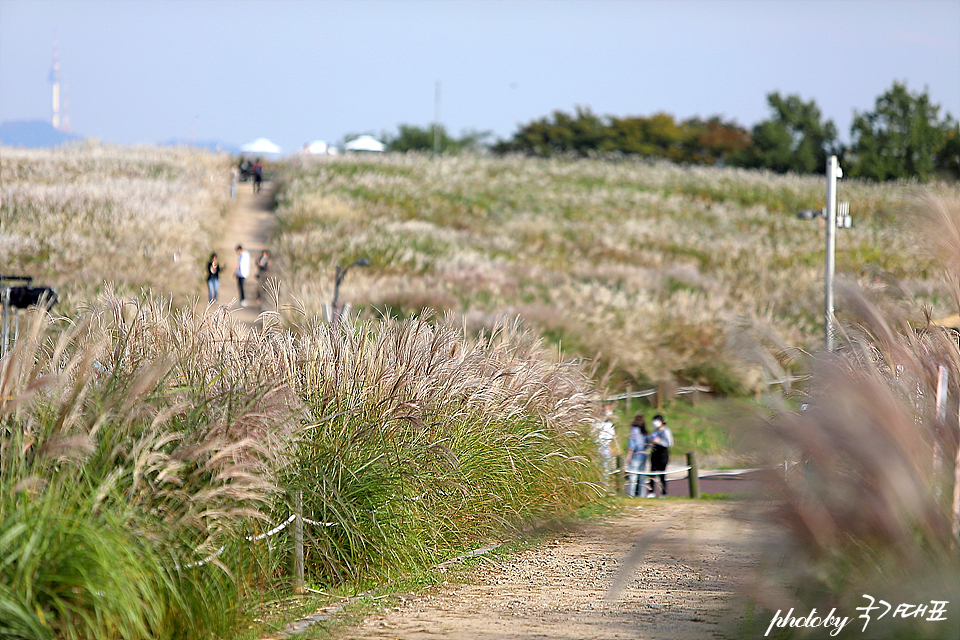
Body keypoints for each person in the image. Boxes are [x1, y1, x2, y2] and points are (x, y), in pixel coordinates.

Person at [646, 414, 674, 497]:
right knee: (652, 473)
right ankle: (651, 492)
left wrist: (659, 441)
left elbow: (669, 443)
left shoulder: (666, 431)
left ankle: (664, 493)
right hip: (654, 453)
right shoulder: (654, 431)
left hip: (663, 454)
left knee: (662, 474)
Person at [624, 414, 650, 497]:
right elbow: (648, 443)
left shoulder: (633, 431)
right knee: (642, 476)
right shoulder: (645, 432)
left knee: (633, 477)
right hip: (643, 456)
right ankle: (641, 494)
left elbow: (631, 445)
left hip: (635, 456)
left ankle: (631, 494)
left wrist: (628, 457)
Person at [594, 403, 617, 474]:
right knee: (604, 468)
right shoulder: (599, 424)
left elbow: (611, 439)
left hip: (603, 447)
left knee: (604, 467)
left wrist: (611, 449)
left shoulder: (598, 423)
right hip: (599, 447)